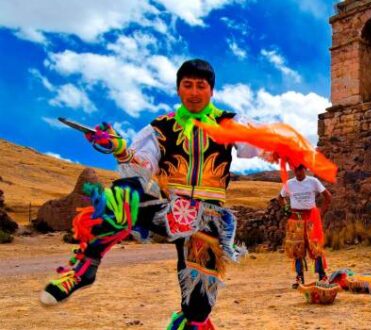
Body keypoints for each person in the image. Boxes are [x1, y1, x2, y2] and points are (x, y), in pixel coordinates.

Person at [40, 59, 272, 329]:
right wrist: (120, 150)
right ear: (178, 90)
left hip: (208, 219)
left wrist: (285, 150)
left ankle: (187, 320)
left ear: (211, 91)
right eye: (188, 85)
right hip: (171, 210)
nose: (194, 92)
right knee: (126, 193)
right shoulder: (160, 128)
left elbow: (259, 145)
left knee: (197, 309)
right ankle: (85, 268)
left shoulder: (229, 123)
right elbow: (141, 168)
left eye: (201, 86)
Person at [277, 164, 332, 288]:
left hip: (311, 219)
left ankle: (322, 277)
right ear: (294, 170)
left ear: (305, 169)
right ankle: (299, 278)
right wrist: (286, 208)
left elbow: (328, 197)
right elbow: (280, 198)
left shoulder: (313, 182)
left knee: (316, 248)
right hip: (295, 220)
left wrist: (320, 214)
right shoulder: (289, 184)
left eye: (300, 169)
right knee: (297, 251)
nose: (298, 172)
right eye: (296, 169)